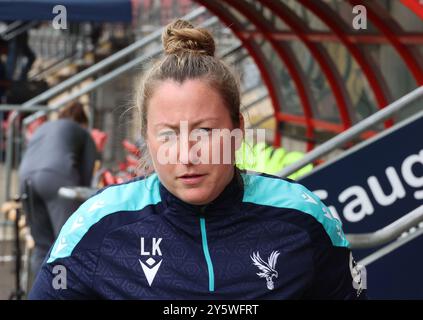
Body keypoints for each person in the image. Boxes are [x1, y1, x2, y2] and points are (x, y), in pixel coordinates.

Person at [29, 20, 365, 299]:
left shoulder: (303, 218)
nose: (187, 155)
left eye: (205, 131)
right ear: (146, 137)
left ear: (237, 129)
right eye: (168, 134)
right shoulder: (98, 225)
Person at [19, 102, 97, 281]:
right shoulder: (83, 133)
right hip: (57, 178)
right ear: (83, 122)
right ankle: (62, 293)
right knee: (66, 244)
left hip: (25, 177)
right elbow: (84, 184)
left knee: (41, 245)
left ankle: (39, 293)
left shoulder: (44, 127)